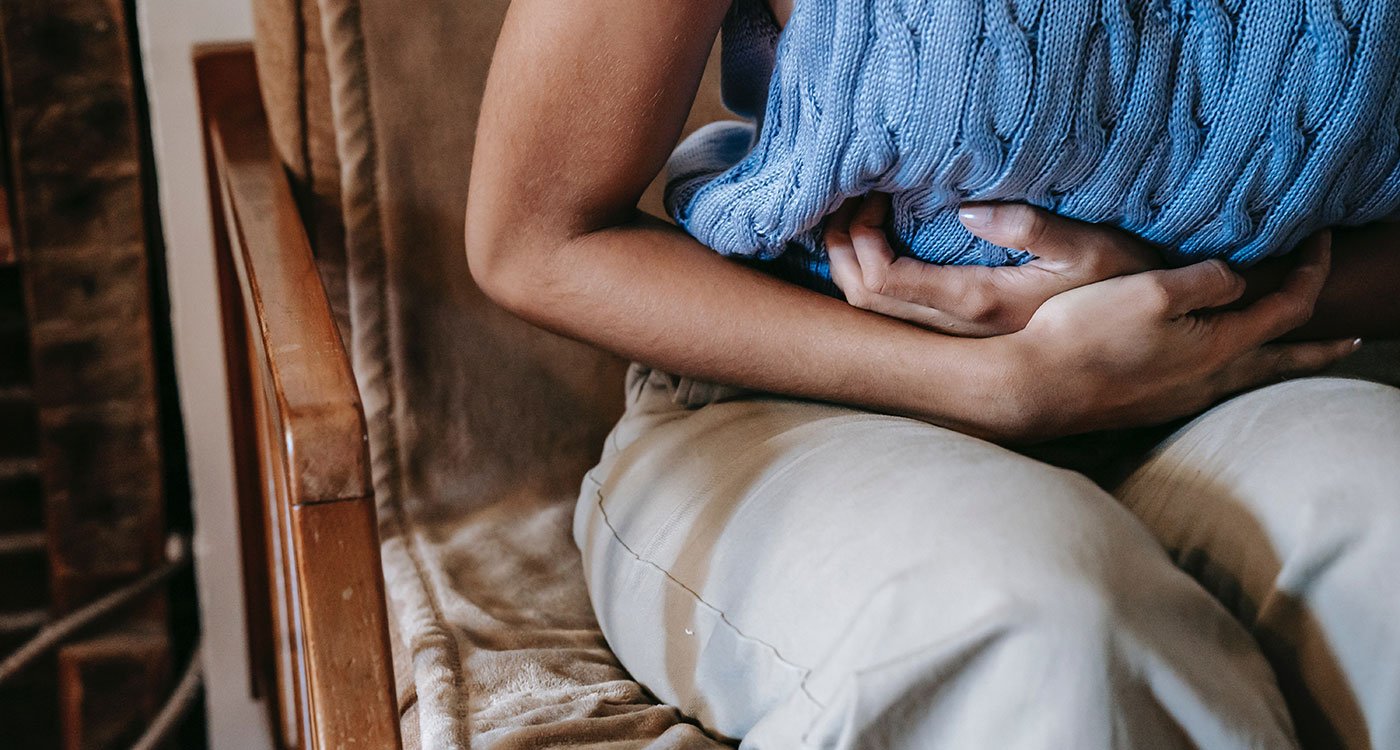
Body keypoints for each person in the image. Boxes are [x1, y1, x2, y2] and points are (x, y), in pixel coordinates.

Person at [464, 1, 1400, 747]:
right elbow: (535, 239)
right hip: (807, 402)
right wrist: (1004, 385)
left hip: (1236, 378)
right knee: (1048, 634)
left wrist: (1195, 300)